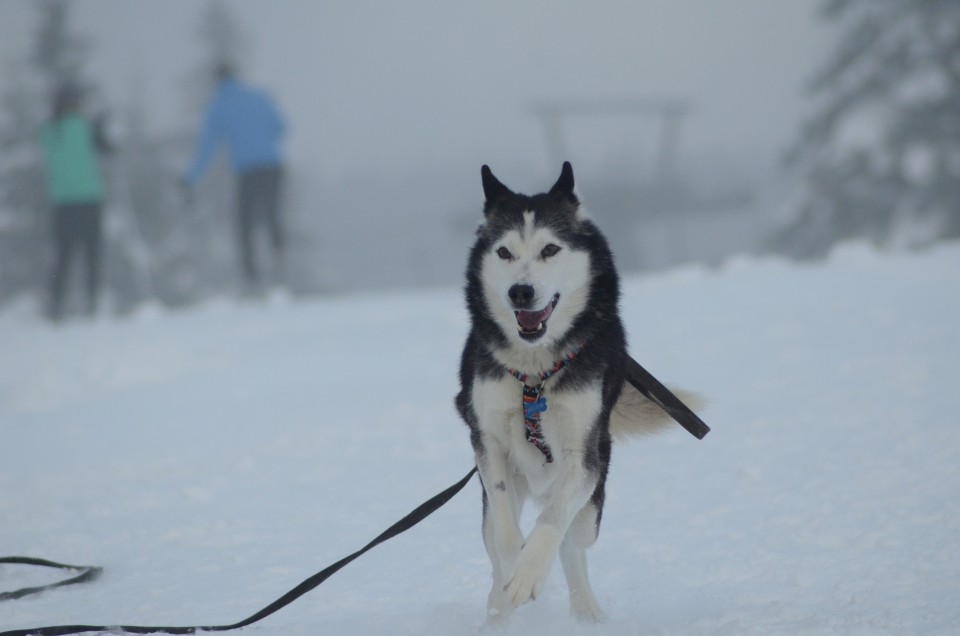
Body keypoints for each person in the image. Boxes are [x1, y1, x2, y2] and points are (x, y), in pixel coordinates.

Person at [182, 63, 287, 290]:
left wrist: (190, 179)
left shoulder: (218, 107)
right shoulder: (258, 96)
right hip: (272, 166)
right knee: (271, 214)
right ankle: (280, 261)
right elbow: (281, 127)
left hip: (248, 170)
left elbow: (206, 149)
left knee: (244, 223)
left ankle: (252, 278)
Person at [39, 84, 112, 321]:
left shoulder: (50, 131)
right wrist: (101, 126)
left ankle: (56, 305)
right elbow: (109, 149)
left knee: (63, 256)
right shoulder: (85, 128)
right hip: (90, 199)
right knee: (92, 254)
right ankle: (92, 302)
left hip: (62, 203)